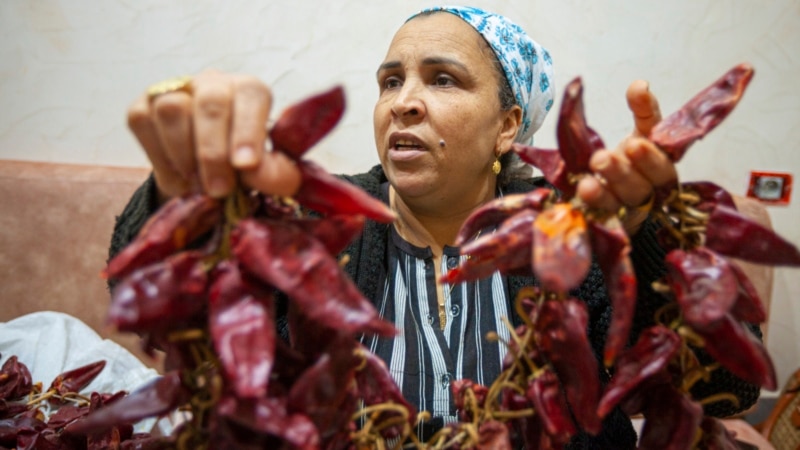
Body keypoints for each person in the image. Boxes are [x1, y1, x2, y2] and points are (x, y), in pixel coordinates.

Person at [109, 6, 761, 448]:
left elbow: (729, 387)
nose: (403, 102)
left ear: (508, 126)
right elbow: (142, 299)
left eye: (442, 79)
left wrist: (644, 228)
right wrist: (184, 187)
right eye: (390, 81)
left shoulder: (573, 237)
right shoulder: (317, 229)